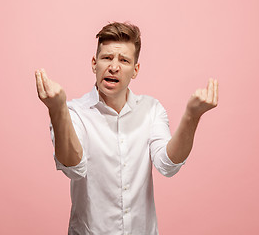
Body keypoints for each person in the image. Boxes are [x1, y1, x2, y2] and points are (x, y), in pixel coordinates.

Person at [35, 22, 218, 235]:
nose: (114, 66)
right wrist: (57, 110)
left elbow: (168, 165)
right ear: (94, 64)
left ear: (135, 70)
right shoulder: (73, 112)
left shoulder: (152, 109)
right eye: (106, 58)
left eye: (124, 60)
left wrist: (192, 116)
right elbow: (74, 168)